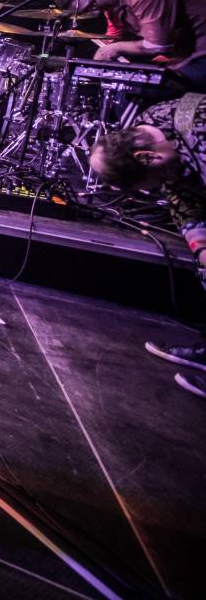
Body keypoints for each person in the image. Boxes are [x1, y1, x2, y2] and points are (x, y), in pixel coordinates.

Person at [90, 94, 206, 399]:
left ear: (147, 159)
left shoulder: (201, 130)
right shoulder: (154, 122)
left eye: (150, 183)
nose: (157, 188)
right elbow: (181, 194)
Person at [54, 0, 206, 91]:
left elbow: (157, 46)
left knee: (145, 91)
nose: (96, 10)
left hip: (201, 54)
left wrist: (115, 48)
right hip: (185, 54)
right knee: (122, 89)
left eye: (92, 4)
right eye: (87, 11)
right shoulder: (110, 5)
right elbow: (112, 40)